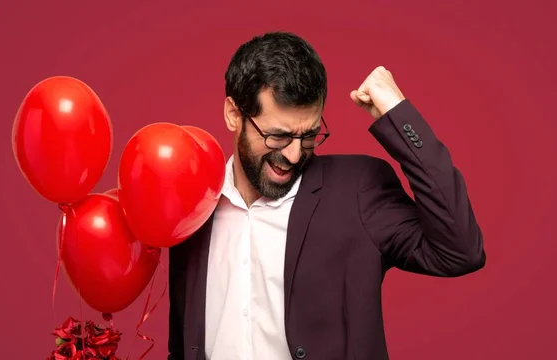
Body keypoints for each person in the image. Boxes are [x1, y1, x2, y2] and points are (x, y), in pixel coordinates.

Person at [167, 31, 486, 360]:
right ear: (234, 114)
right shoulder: (193, 205)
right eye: (278, 136)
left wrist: (398, 114)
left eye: (308, 135)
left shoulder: (357, 190)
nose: (293, 155)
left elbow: (460, 251)